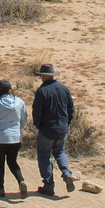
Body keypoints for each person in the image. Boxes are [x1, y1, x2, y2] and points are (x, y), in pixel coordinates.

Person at [31, 64, 76, 196]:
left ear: (44, 76)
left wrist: (38, 125)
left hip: (47, 129)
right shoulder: (64, 89)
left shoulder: (42, 91)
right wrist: (67, 123)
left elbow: (37, 111)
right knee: (60, 152)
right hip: (61, 129)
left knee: (44, 156)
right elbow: (71, 109)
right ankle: (66, 173)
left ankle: (49, 184)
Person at [0, 77, 29, 198]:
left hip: (0, 138)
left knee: (0, 163)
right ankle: (21, 181)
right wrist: (18, 129)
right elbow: (24, 118)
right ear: (10, 90)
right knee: (12, 162)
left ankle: (0, 188)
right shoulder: (19, 102)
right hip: (15, 137)